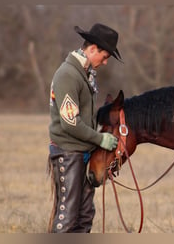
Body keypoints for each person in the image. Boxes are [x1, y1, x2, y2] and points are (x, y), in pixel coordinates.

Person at [47, 23, 122, 233]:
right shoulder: (68, 75)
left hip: (83, 153)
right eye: (105, 56)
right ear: (92, 49)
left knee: (85, 215)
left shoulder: (85, 73)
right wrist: (100, 139)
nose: (105, 63)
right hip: (68, 153)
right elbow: (70, 123)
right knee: (68, 217)